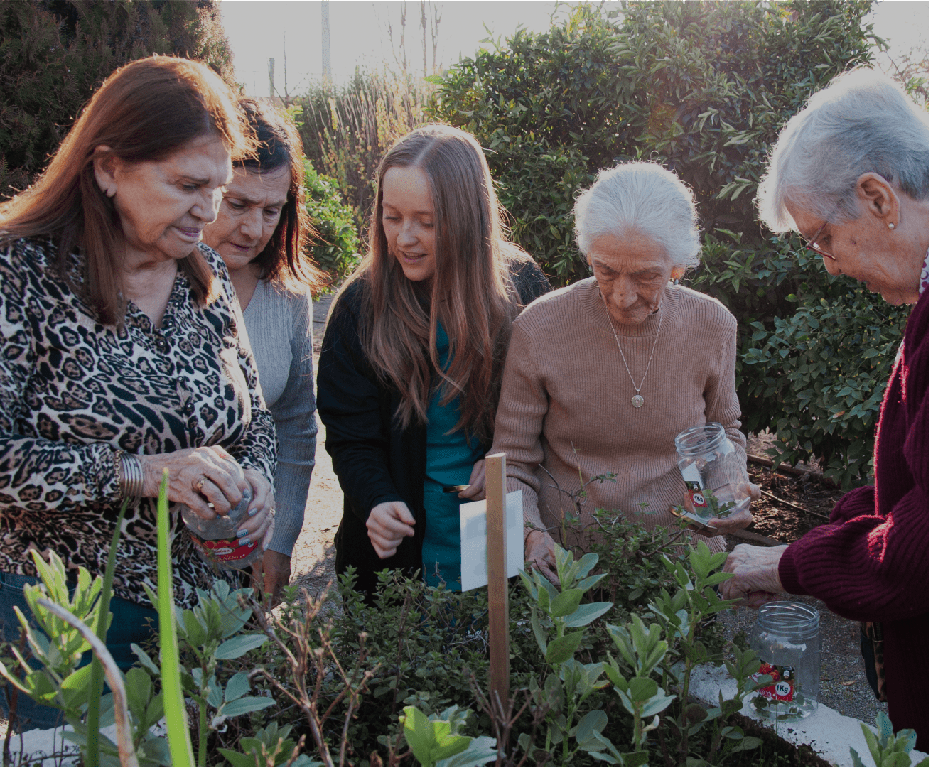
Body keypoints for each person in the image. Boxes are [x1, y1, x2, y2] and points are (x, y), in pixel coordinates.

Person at [722, 67, 929, 766]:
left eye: (822, 238)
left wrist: (791, 566)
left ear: (878, 197)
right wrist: (824, 532)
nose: (826, 264)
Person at [0, 56, 277, 730]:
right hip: (68, 619)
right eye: (187, 184)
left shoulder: (203, 273)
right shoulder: (19, 273)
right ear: (106, 168)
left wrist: (259, 480)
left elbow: (257, 421)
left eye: (218, 186)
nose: (208, 211)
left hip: (207, 615)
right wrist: (141, 474)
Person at [488, 161, 756, 584]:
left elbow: (725, 431)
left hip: (681, 566)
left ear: (677, 265)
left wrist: (729, 484)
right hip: (570, 575)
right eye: (605, 270)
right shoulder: (540, 328)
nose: (622, 295)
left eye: (646, 275)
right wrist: (531, 536)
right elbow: (510, 462)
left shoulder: (712, 325)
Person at [317, 124, 550, 595]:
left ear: (468, 217)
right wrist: (376, 500)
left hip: (497, 537)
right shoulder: (361, 306)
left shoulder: (520, 287)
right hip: (398, 556)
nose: (405, 238)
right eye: (391, 217)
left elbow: (549, 405)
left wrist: (503, 456)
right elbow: (350, 434)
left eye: (427, 221)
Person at [203, 99, 328, 604]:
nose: (254, 229)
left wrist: (279, 541)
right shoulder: (153, 284)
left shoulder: (287, 296)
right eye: (237, 204)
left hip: (249, 548)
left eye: (271, 211)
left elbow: (296, 426)